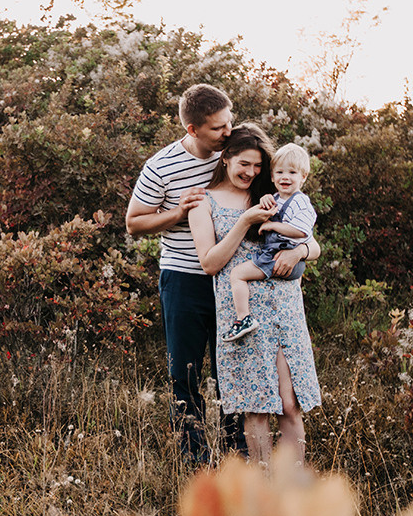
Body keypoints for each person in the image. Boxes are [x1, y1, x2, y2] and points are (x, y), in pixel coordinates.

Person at [125, 85, 303, 466]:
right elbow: (134, 223)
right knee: (185, 371)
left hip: (237, 282)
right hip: (186, 277)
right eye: (218, 129)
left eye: (230, 124)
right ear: (193, 130)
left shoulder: (241, 156)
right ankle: (193, 459)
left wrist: (301, 249)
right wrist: (177, 213)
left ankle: (236, 458)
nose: (227, 134)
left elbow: (293, 211)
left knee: (234, 370)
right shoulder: (162, 165)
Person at [188, 124, 322, 465]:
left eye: (258, 165)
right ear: (226, 158)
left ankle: (293, 488)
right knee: (257, 406)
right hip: (243, 313)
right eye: (244, 164)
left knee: (289, 404)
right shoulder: (203, 202)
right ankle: (262, 493)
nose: (251, 172)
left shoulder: (273, 193)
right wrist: (245, 220)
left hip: (284, 306)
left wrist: (298, 253)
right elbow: (210, 262)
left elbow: (312, 242)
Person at [220, 143, 316, 342]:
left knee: (237, 274)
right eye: (279, 172)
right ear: (272, 176)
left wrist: (273, 226)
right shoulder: (277, 197)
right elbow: (271, 204)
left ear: (303, 177)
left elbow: (301, 231)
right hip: (279, 255)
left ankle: (243, 318)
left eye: (292, 172)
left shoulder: (300, 202)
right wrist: (265, 199)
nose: (285, 177)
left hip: (283, 254)